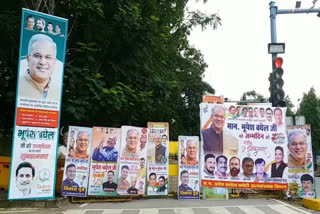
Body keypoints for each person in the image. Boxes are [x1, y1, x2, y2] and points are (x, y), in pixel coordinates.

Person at [18, 34, 62, 100]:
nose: (42, 62)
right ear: (28, 59)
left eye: (48, 57)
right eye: (37, 56)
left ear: (54, 62)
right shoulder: (18, 85)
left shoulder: (58, 90)